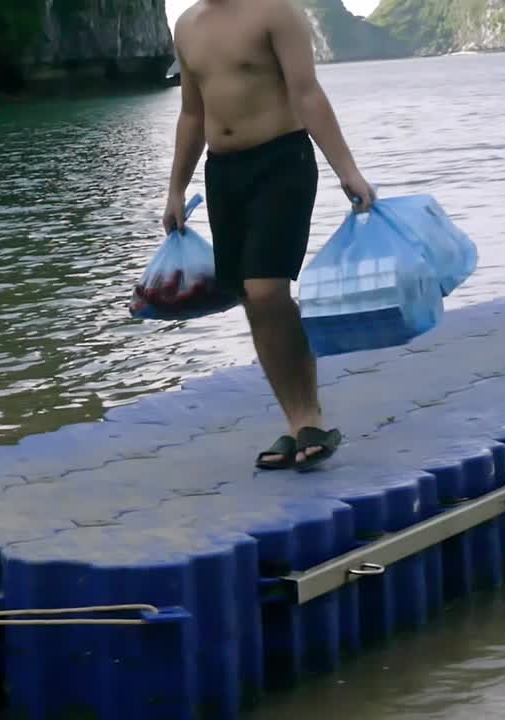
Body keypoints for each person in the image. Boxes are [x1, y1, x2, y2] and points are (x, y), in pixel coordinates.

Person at [163, 0, 375, 472]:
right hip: (224, 173)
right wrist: (176, 189)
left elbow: (307, 94)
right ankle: (298, 422)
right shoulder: (187, 25)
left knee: (266, 289)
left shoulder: (276, 11)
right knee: (249, 296)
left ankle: (310, 417)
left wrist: (348, 171)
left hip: (282, 163)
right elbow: (192, 115)